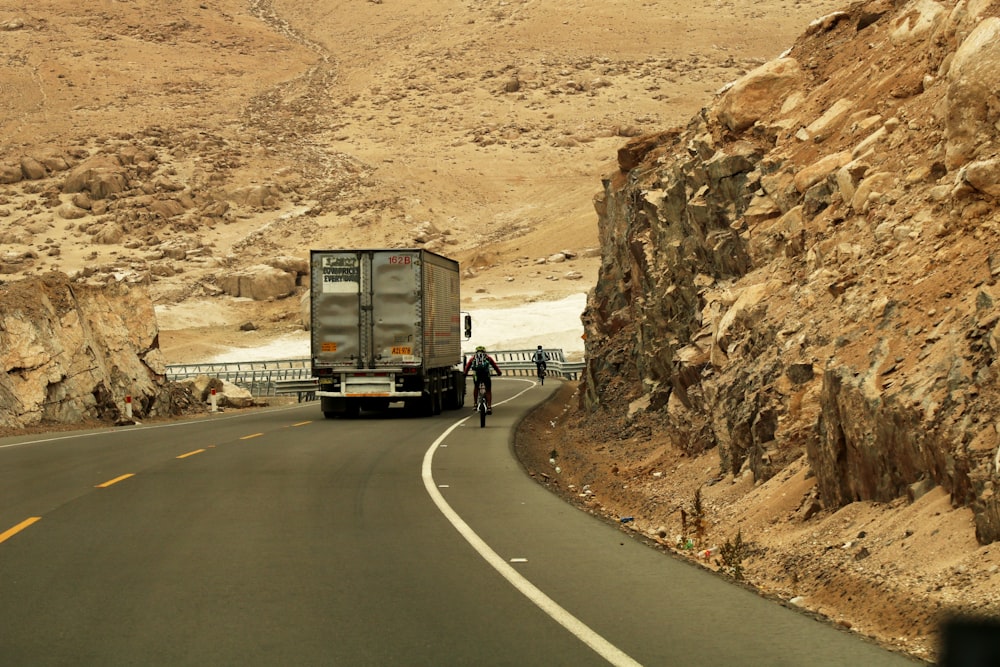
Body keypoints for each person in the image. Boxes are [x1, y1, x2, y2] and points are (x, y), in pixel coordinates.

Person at [464, 345, 501, 413]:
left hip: (477, 375)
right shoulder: (488, 358)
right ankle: (489, 407)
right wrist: (499, 373)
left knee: (476, 387)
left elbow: (467, 366)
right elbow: (494, 366)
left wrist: (465, 374)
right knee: (488, 390)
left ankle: (475, 404)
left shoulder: (473, 358)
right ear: (484, 352)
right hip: (485, 375)